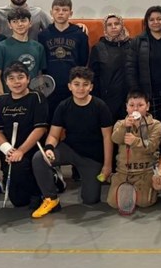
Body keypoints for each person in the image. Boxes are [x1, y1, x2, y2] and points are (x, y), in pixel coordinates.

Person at [32, 66, 114, 217]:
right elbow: (54, 135)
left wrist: (107, 166)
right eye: (76, 84)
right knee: (40, 158)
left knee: (90, 200)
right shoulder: (63, 106)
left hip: (91, 157)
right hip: (69, 149)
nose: (81, 88)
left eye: (85, 84)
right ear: (70, 86)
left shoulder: (100, 107)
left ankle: (75, 180)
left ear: (91, 87)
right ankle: (51, 199)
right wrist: (49, 148)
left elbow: (107, 138)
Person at [0, 62, 49, 210]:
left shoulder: (37, 97)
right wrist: (8, 150)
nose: (16, 82)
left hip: (30, 150)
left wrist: (21, 151)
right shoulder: (0, 101)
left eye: (20, 77)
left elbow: (40, 129)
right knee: (19, 201)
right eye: (11, 78)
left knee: (21, 168)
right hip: (10, 153)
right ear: (6, 82)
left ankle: (38, 191)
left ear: (28, 79)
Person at [106, 92, 161, 214]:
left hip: (145, 172)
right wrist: (124, 126)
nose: (135, 109)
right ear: (126, 107)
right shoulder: (120, 123)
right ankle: (116, 180)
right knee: (113, 203)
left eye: (140, 105)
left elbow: (152, 146)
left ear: (147, 106)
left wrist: (135, 141)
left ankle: (150, 186)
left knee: (144, 203)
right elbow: (115, 139)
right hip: (124, 172)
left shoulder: (156, 124)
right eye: (131, 105)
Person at [37, 0, 89, 115]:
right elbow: (42, 62)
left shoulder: (80, 34)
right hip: (50, 85)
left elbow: (83, 60)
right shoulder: (43, 35)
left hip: (72, 85)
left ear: (71, 13)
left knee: (72, 117)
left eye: (65, 10)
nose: (60, 13)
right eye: (57, 9)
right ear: (51, 12)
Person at [126, 5, 161, 123]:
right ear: (146, 22)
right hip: (147, 92)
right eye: (151, 20)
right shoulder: (138, 41)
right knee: (149, 124)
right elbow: (130, 68)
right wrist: (136, 92)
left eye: (159, 19)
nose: (155, 22)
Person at [0, 7, 47, 96]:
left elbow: (39, 75)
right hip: (9, 97)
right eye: (15, 21)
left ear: (30, 23)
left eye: (23, 21)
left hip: (32, 97)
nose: (20, 24)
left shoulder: (38, 47)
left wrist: (39, 95)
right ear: (9, 25)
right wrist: (1, 97)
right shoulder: (0, 47)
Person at [89, 14, 131, 119]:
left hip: (130, 98)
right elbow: (93, 77)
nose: (113, 27)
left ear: (122, 25)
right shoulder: (98, 48)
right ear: (105, 28)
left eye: (116, 24)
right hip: (107, 98)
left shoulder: (132, 45)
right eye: (109, 25)